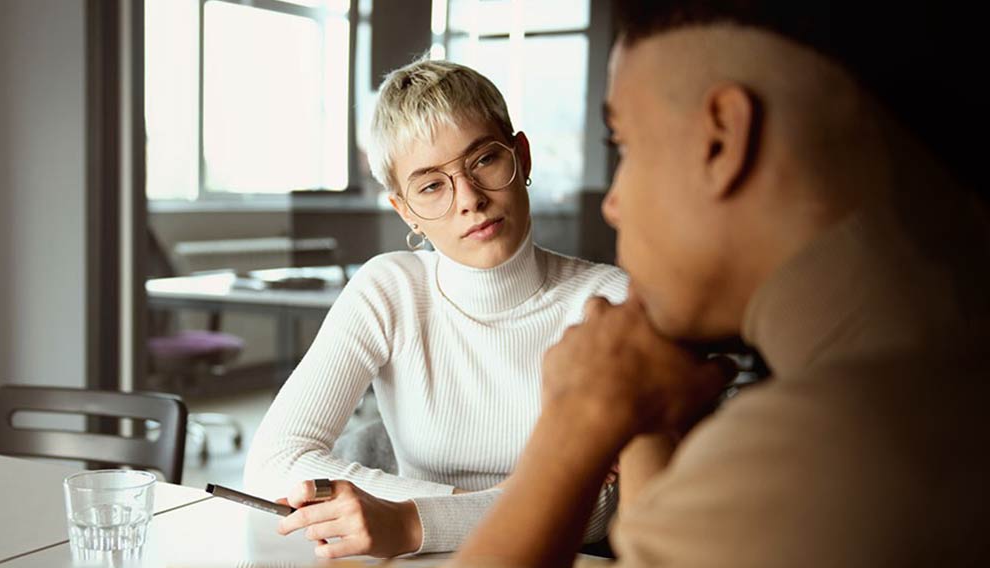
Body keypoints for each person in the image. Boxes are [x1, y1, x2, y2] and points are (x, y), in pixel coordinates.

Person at [457, 3, 990, 566]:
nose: (612, 204)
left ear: (723, 137)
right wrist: (640, 421)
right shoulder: (945, 353)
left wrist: (578, 417)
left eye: (625, 145)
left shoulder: (819, 450)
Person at [242, 59, 628, 558]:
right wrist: (467, 512)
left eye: (484, 160)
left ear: (522, 157)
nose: (469, 198)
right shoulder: (389, 289)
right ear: (405, 210)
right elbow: (274, 461)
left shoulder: (609, 302)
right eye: (430, 185)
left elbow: (602, 506)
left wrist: (410, 521)